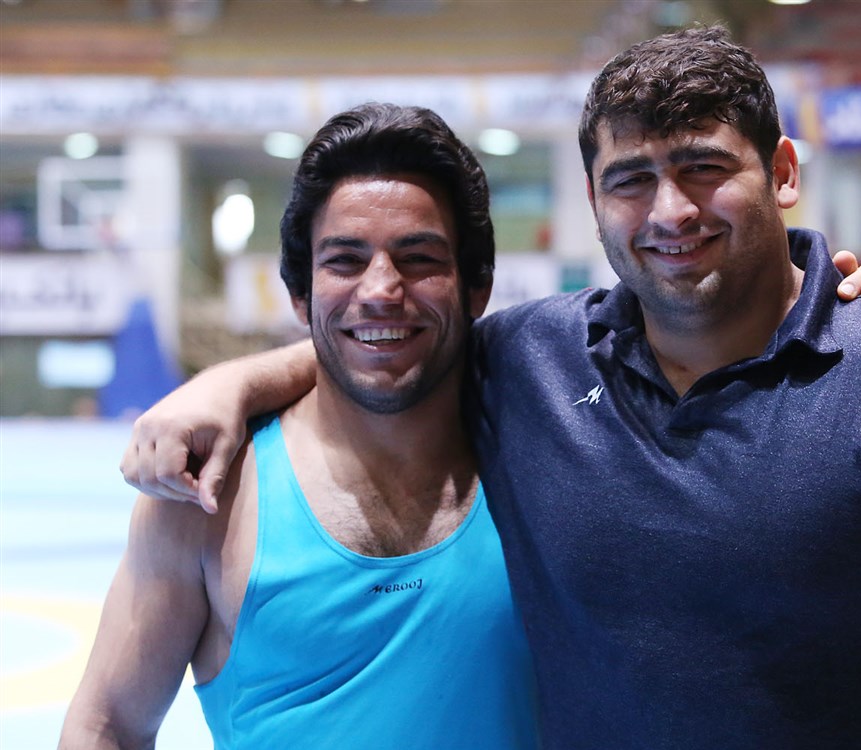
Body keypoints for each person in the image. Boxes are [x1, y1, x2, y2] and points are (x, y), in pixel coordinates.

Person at [118, 26, 861, 748]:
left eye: (704, 167)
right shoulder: (532, 362)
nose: (671, 211)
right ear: (593, 200)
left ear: (782, 173)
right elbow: (388, 337)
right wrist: (226, 385)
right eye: (632, 180)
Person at [59, 105, 539, 749]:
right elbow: (107, 726)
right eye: (345, 260)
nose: (381, 289)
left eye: (419, 257)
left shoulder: (548, 457)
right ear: (300, 294)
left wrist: (237, 377)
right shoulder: (208, 498)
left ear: (477, 287)